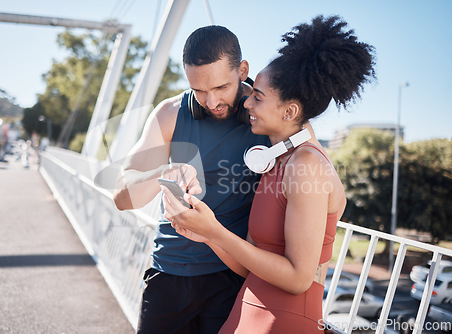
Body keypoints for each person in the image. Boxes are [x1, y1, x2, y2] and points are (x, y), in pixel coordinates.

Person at [162, 15, 376, 333]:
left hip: (283, 321)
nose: (247, 101)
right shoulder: (277, 161)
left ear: (289, 112)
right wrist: (205, 233)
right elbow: (251, 264)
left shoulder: (306, 165)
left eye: (258, 97)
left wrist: (216, 232)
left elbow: (298, 278)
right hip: (250, 310)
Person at [113, 25, 270, 333]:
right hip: (168, 273)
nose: (211, 102)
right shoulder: (171, 112)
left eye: (221, 88)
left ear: (243, 70)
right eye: (199, 91)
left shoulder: (270, 115)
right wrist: (163, 172)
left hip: (234, 278)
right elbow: (121, 198)